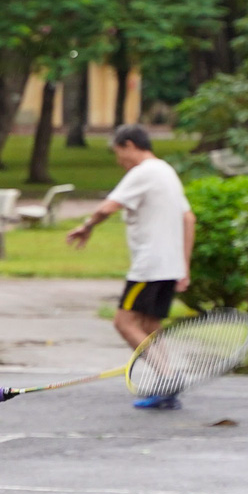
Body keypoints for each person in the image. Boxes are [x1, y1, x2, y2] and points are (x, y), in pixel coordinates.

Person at [64, 124, 195, 410]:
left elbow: (107, 207)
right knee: (149, 325)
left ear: (129, 145)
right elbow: (189, 219)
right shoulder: (166, 171)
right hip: (169, 265)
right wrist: (183, 266)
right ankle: (167, 387)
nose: (118, 160)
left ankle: (169, 378)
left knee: (124, 323)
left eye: (118, 153)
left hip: (149, 267)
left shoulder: (143, 172)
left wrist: (87, 226)